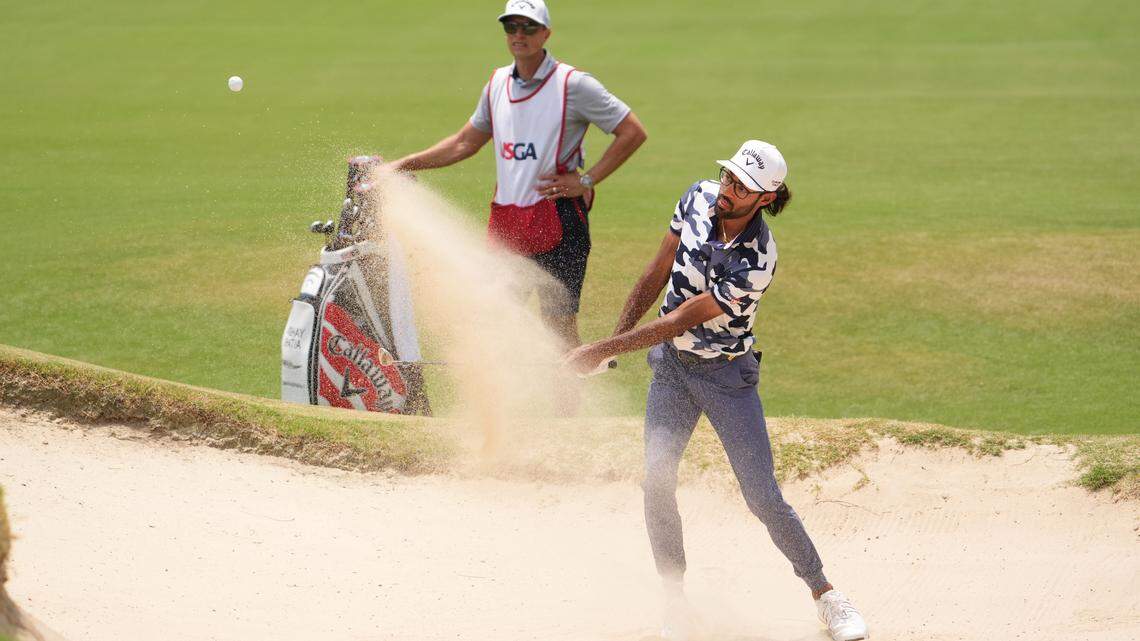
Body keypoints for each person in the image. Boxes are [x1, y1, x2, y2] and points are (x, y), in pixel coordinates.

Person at [563, 140, 869, 641]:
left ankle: (826, 594)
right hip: (673, 372)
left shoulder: (759, 258)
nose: (728, 190)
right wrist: (615, 346)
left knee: (763, 497)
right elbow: (657, 273)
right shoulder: (697, 198)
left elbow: (684, 315)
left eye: (741, 187)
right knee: (656, 481)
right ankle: (675, 601)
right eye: (728, 178)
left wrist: (600, 347)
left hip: (727, 378)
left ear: (765, 198)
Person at [383, 0, 647, 349]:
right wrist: (404, 165)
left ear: (546, 33)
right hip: (507, 222)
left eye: (529, 27)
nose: (519, 34)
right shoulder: (496, 83)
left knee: (559, 332)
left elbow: (632, 131)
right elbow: (465, 143)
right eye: (512, 27)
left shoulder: (572, 84)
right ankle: (507, 404)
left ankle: (565, 405)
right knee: (495, 324)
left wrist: (585, 180)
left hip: (559, 222)